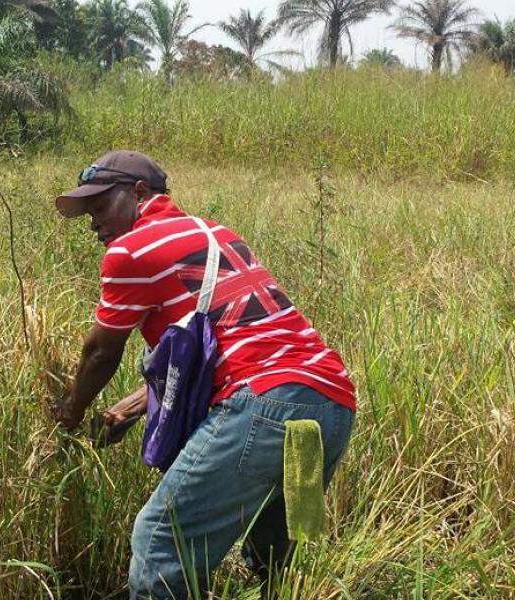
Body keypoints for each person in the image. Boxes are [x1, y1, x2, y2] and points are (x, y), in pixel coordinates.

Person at [51, 150, 356, 599]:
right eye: (89, 213)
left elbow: (100, 352)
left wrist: (71, 409)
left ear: (139, 194)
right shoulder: (219, 235)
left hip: (263, 410)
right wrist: (131, 408)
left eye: (100, 206)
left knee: (159, 545)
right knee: (279, 558)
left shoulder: (131, 249)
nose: (94, 222)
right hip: (328, 409)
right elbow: (218, 347)